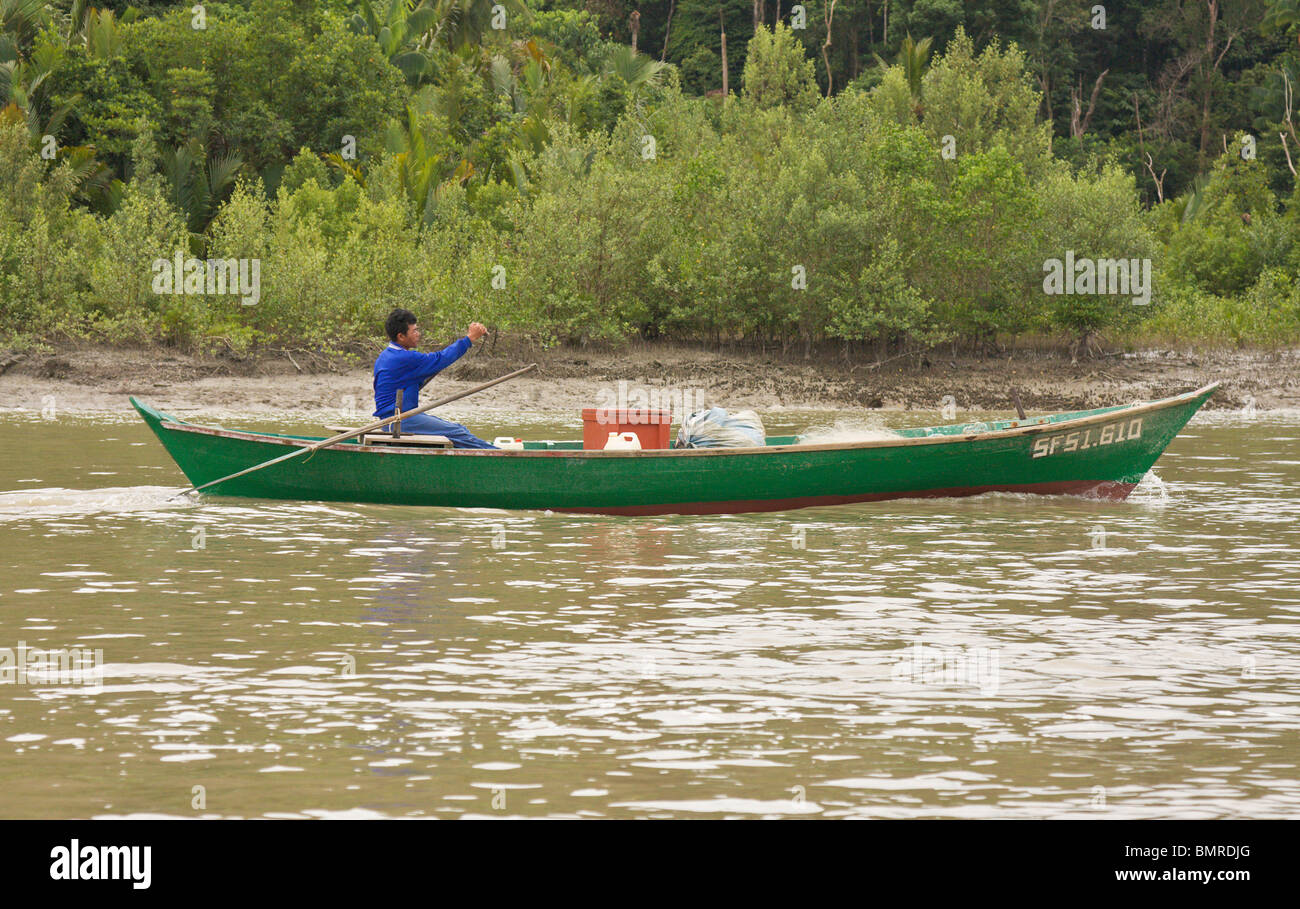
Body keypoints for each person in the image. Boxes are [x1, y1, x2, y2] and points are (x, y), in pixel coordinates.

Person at [373, 309, 496, 449]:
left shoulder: (386, 355)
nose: (418, 334)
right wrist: (469, 338)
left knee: (459, 429)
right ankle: (500, 455)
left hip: (397, 418)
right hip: (399, 420)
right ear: (401, 336)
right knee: (458, 432)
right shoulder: (404, 358)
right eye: (414, 331)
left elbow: (412, 378)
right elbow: (440, 358)